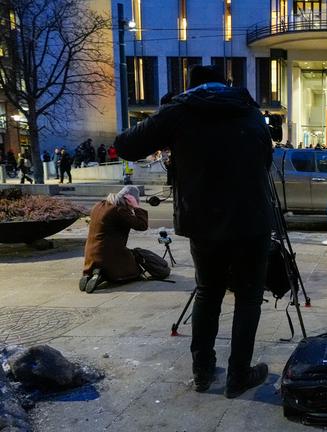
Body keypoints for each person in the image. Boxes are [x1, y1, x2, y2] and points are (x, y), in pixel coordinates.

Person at [114, 65, 274, 399]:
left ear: (189, 87)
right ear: (225, 83)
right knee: (248, 299)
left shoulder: (181, 112)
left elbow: (125, 146)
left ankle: (202, 373)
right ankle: (238, 376)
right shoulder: (249, 110)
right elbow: (265, 158)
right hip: (252, 219)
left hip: (205, 223)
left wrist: (167, 118)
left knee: (208, 292)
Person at [80, 186, 148, 292]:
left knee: (107, 260)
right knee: (134, 271)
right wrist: (136, 206)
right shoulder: (119, 210)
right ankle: (102, 276)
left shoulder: (100, 205)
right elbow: (142, 225)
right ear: (129, 199)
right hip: (108, 255)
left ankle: (90, 273)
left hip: (90, 254)